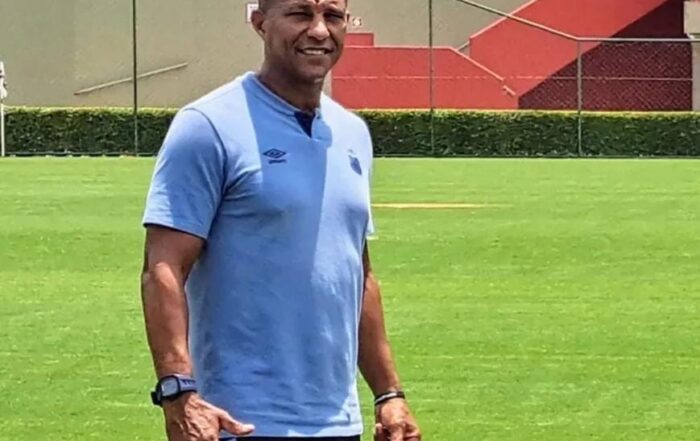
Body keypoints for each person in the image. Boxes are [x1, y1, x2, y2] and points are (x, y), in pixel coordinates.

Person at [140, 0, 421, 440]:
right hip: (238, 422)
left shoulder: (352, 132)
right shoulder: (208, 126)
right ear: (260, 23)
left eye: (332, 16)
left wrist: (389, 394)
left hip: (339, 422)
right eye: (300, 14)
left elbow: (357, 272)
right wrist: (178, 391)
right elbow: (164, 266)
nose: (319, 30)